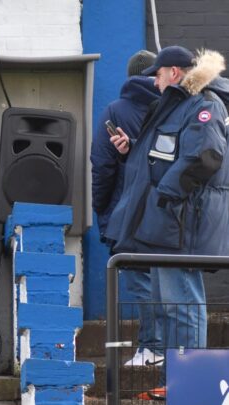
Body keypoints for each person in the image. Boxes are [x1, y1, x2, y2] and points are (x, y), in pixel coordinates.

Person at [106, 46, 229, 399]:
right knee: (169, 304)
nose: (154, 83)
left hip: (180, 224)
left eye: (157, 75)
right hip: (167, 224)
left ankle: (192, 386)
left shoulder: (203, 105)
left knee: (183, 304)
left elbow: (206, 155)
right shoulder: (181, 104)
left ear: (173, 72)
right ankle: (177, 382)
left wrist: (167, 194)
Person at [91, 50, 162, 367]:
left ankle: (152, 349)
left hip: (129, 213)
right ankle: (164, 350)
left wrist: (101, 207)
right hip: (168, 210)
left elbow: (103, 166)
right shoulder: (175, 109)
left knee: (140, 281)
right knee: (169, 282)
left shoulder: (116, 111)